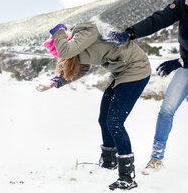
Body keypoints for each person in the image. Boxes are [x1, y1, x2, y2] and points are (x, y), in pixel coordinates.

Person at [103, 0, 188, 175]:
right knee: (166, 110)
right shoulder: (184, 4)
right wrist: (129, 33)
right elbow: (158, 20)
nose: (187, 1)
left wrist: (180, 61)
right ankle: (156, 158)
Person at [37, 22, 151, 190]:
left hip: (136, 69)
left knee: (115, 122)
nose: (61, 56)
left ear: (65, 38)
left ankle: (127, 177)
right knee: (104, 119)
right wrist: (56, 82)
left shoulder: (87, 30)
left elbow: (65, 50)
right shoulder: (76, 47)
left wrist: (57, 31)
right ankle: (109, 162)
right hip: (119, 72)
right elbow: (80, 69)